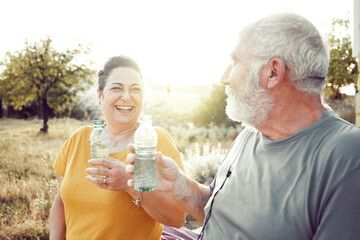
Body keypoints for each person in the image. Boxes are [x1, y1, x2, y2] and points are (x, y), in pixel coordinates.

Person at [126, 12, 360, 239]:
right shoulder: (249, 137)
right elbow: (219, 216)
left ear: (272, 72)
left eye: (235, 62)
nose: (223, 77)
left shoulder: (347, 155)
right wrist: (179, 186)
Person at [49, 55, 186, 240]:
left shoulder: (156, 140)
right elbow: (60, 202)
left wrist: (130, 185)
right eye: (116, 88)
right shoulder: (79, 138)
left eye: (135, 89)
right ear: (100, 95)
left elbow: (177, 218)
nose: (127, 97)